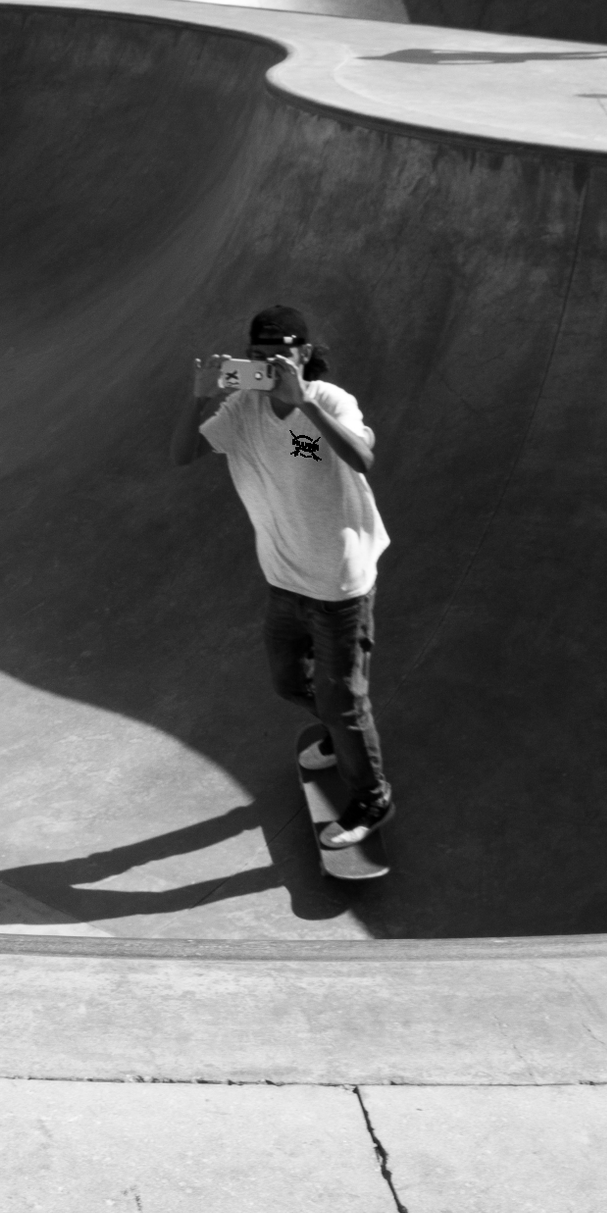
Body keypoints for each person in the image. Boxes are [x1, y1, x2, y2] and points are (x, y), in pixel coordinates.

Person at [174, 307, 394, 850]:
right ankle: (346, 737)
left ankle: (372, 796)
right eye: (258, 356)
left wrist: (305, 408)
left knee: (343, 701)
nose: (268, 364)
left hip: (339, 587)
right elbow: (182, 454)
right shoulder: (242, 410)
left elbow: (360, 458)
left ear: (303, 354)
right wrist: (199, 394)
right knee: (288, 680)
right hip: (285, 580)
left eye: (280, 354)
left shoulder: (327, 402)